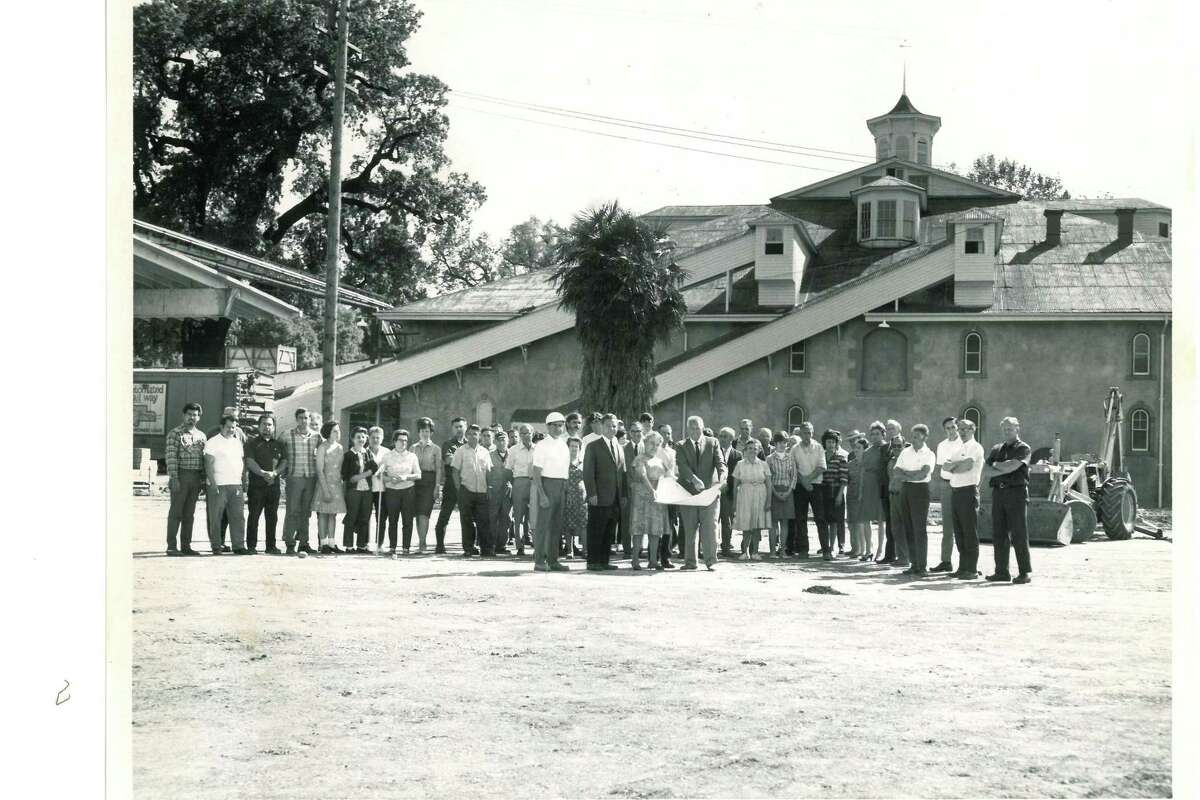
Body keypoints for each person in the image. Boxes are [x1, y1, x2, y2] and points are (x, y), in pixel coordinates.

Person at [982, 417, 1033, 584]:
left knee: (1019, 533)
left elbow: (1012, 466)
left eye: (1010, 429)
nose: (1007, 431)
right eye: (1004, 429)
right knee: (999, 534)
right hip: (998, 493)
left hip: (1016, 493)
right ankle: (1001, 571)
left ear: (1017, 429)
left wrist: (998, 465)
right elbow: (986, 471)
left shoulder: (1023, 448)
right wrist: (1002, 467)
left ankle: (1025, 572)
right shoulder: (997, 449)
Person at [675, 415, 727, 571]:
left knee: (710, 527)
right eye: (692, 428)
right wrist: (693, 479)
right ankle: (690, 562)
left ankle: (711, 561)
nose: (695, 431)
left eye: (698, 428)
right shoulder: (681, 445)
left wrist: (723, 475)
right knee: (690, 529)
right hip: (688, 494)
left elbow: (720, 462)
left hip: (709, 494)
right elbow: (682, 466)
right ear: (687, 429)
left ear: (703, 428)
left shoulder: (713, 442)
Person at [941, 418, 985, 579]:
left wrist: (954, 466)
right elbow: (945, 467)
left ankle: (972, 569)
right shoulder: (959, 449)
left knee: (969, 531)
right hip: (956, 491)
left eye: (966, 429)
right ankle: (962, 567)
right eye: (960, 429)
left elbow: (968, 466)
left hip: (968, 491)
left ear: (973, 430)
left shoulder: (976, 447)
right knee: (959, 532)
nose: (962, 432)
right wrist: (956, 466)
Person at [582, 413, 625, 571]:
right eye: (608, 426)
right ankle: (593, 562)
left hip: (614, 498)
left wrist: (623, 495)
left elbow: (621, 474)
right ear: (602, 426)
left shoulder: (619, 447)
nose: (612, 429)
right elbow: (588, 472)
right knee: (596, 529)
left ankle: (604, 560)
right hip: (598, 496)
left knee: (609, 531)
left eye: (614, 426)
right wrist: (592, 493)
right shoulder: (593, 446)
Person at [894, 423, 936, 576]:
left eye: (917, 437)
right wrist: (910, 475)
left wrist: (908, 474)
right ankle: (914, 564)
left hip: (920, 491)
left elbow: (923, 474)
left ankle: (922, 566)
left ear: (925, 437)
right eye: (912, 437)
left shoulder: (929, 454)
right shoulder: (905, 452)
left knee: (919, 529)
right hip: (906, 489)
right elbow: (896, 471)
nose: (914, 440)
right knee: (908, 527)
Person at [530, 412, 570, 572]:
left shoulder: (563, 444)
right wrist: (542, 494)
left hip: (561, 486)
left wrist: (565, 490)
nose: (558, 428)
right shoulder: (542, 445)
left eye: (561, 425)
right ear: (548, 427)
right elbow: (536, 472)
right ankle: (539, 560)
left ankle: (553, 560)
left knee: (556, 526)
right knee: (542, 526)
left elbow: (564, 470)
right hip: (546, 485)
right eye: (555, 425)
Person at [165, 401, 207, 556]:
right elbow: (171, 457)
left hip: (196, 477)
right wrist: (174, 478)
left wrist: (202, 480)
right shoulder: (175, 434)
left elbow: (204, 460)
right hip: (181, 475)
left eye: (195, 415)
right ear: (184, 415)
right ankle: (171, 546)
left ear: (199, 417)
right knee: (176, 512)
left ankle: (186, 546)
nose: (192, 417)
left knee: (189, 514)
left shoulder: (201, 436)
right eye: (189, 414)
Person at [204, 414, 249, 555]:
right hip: (219, 484)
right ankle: (216, 546)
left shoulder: (237, 442)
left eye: (234, 427)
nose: (231, 430)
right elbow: (208, 464)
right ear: (222, 427)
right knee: (216, 517)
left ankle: (238, 545)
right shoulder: (212, 442)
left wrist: (242, 483)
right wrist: (212, 483)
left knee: (238, 517)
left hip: (235, 485)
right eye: (229, 427)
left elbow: (241, 463)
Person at [244, 412, 287, 554]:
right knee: (254, 516)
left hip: (273, 487)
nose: (266, 427)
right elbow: (250, 461)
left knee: (272, 517)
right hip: (256, 486)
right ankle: (251, 546)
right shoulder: (251, 443)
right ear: (258, 426)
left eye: (269, 424)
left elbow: (284, 461)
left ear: (274, 427)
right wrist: (263, 473)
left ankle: (271, 546)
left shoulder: (279, 444)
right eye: (263, 424)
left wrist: (274, 473)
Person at [628, 430, 671, 570]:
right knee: (638, 529)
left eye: (657, 444)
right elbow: (642, 475)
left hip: (657, 499)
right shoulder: (639, 458)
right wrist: (651, 489)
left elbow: (668, 476)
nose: (654, 446)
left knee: (655, 530)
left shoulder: (660, 461)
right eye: (651, 443)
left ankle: (653, 560)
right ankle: (635, 560)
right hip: (642, 497)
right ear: (645, 443)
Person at [282, 407, 320, 556]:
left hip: (310, 478)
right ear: (296, 419)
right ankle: (290, 544)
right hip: (294, 477)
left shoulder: (316, 437)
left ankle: (304, 543)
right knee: (292, 511)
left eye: (306, 418)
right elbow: (278, 451)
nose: (304, 421)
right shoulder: (286, 435)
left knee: (306, 513)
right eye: (301, 418)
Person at [451, 423, 493, 556]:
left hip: (482, 491)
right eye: (469, 434)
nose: (472, 436)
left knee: (484, 521)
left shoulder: (485, 452)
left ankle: (486, 549)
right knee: (467, 521)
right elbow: (455, 471)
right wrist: (459, 490)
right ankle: (469, 548)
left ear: (479, 436)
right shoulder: (461, 451)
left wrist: (489, 488)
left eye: (475, 434)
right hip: (466, 490)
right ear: (466, 436)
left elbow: (488, 472)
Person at [379, 429, 422, 556]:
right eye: (400, 440)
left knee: (407, 520)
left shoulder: (412, 456)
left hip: (408, 490)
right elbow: (380, 475)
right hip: (392, 491)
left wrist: (405, 477)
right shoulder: (387, 456)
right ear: (394, 441)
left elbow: (418, 475)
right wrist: (390, 479)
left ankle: (406, 548)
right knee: (393, 520)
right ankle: (392, 547)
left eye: (405, 441)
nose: (403, 443)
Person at [790, 422, 828, 559]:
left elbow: (822, 467)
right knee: (801, 519)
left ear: (813, 433)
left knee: (820, 518)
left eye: (809, 432)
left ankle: (826, 550)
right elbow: (793, 469)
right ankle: (803, 550)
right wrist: (804, 481)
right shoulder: (794, 449)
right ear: (800, 433)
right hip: (800, 487)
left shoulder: (818, 447)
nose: (807, 435)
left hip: (815, 486)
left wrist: (809, 479)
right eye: (804, 432)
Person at [930, 417, 963, 573]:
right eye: (948, 428)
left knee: (964, 525)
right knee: (948, 526)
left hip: (962, 485)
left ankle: (967, 563)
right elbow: (941, 466)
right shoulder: (941, 446)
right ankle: (946, 561)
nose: (951, 430)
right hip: (946, 485)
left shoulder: (964, 443)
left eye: (953, 427)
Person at [433, 417, 468, 553]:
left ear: (466, 427)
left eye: (461, 426)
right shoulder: (448, 444)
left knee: (467, 516)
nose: (459, 429)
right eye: (456, 427)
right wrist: (466, 459)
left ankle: (468, 546)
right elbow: (448, 460)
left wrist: (459, 459)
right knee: (445, 515)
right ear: (452, 429)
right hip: (451, 485)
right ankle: (440, 545)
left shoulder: (469, 444)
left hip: (466, 484)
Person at [732, 439, 771, 559]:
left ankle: (755, 552)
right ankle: (744, 552)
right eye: (750, 448)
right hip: (745, 495)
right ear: (745, 450)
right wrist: (734, 501)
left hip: (760, 494)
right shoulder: (740, 464)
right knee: (746, 524)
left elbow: (769, 484)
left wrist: (768, 501)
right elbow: (735, 485)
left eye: (755, 449)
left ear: (759, 450)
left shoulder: (764, 464)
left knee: (757, 525)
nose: (752, 451)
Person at [312, 421, 346, 554]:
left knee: (333, 514)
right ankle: (323, 543)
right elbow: (319, 470)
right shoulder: (322, 447)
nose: (337, 433)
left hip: (336, 484)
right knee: (323, 514)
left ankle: (332, 543)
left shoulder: (340, 448)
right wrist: (325, 490)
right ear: (328, 432)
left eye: (338, 431)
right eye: (334, 431)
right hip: (324, 484)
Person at [341, 427, 377, 553]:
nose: (361, 439)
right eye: (358, 437)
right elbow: (348, 477)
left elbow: (375, 468)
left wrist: (361, 476)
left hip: (367, 490)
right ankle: (349, 546)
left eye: (363, 437)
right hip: (353, 491)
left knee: (365, 517)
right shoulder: (348, 455)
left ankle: (362, 545)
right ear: (352, 439)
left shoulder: (368, 453)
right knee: (351, 517)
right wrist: (365, 474)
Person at [411, 418, 443, 553]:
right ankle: (421, 540)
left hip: (429, 482)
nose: (425, 433)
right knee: (418, 514)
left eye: (427, 431)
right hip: (414, 482)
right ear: (418, 432)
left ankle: (422, 543)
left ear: (431, 432)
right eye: (423, 430)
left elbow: (438, 469)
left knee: (425, 513)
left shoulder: (436, 449)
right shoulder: (412, 447)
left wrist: (437, 487)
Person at [881, 419, 910, 567]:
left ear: (904, 446)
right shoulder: (891, 461)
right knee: (896, 528)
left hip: (903, 496)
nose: (897, 448)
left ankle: (906, 557)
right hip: (892, 496)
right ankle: (901, 557)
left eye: (899, 446)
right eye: (895, 446)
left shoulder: (907, 460)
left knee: (904, 528)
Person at [506, 424, 536, 556]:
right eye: (522, 433)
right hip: (519, 482)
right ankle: (519, 545)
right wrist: (513, 484)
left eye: (528, 433)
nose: (525, 435)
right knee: (518, 516)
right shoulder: (514, 450)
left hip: (535, 483)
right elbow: (508, 469)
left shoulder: (538, 449)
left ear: (532, 433)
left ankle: (537, 545)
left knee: (534, 515)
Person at [766, 432, 797, 557]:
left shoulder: (791, 458)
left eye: (784, 442)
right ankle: (772, 551)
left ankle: (783, 550)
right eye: (779, 442)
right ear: (775, 443)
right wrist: (775, 492)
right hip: (774, 491)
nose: (782, 445)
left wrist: (788, 491)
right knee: (773, 523)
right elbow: (768, 478)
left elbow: (794, 477)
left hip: (788, 491)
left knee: (785, 523)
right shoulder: (769, 459)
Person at [820, 429, 849, 558]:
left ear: (836, 444)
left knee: (835, 521)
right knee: (824, 519)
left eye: (833, 442)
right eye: (828, 442)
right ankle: (825, 546)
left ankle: (834, 547)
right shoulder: (821, 457)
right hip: (824, 491)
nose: (830, 444)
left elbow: (844, 479)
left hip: (836, 491)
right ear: (824, 443)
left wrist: (839, 495)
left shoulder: (841, 458)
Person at [861, 422, 888, 561]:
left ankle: (880, 550)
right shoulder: (867, 451)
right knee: (866, 519)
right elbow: (863, 470)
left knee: (881, 519)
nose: (875, 437)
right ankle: (868, 549)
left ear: (883, 434)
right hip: (868, 486)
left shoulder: (886, 449)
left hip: (880, 486)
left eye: (877, 434)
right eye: (872, 434)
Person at [656, 422, 681, 563]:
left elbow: (675, 472)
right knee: (658, 524)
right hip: (658, 489)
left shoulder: (673, 452)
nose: (666, 436)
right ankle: (654, 556)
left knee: (670, 524)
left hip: (670, 489)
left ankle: (666, 556)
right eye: (663, 433)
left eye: (669, 433)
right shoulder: (654, 450)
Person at [487, 429, 514, 555]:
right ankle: (491, 544)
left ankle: (501, 545)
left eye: (504, 439)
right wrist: (488, 487)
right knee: (492, 517)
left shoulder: (512, 454)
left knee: (506, 518)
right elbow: (487, 472)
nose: (502, 442)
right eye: (499, 440)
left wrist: (512, 485)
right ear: (495, 442)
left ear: (508, 441)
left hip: (508, 491)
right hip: (494, 490)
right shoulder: (490, 455)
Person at [717, 427, 743, 558]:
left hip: (729, 492)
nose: (721, 438)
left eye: (725, 436)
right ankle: (708, 547)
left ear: (731, 439)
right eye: (720, 436)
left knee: (727, 521)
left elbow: (738, 475)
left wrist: (730, 487)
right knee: (712, 520)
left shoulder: (738, 455)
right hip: (714, 491)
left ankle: (726, 547)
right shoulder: (713, 451)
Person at [845, 436, 872, 560]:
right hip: (851, 496)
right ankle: (855, 548)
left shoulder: (868, 464)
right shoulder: (850, 464)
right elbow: (847, 480)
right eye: (855, 448)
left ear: (865, 449)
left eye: (859, 448)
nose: (856, 450)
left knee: (862, 524)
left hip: (864, 496)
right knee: (852, 523)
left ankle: (865, 549)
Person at [620, 421, 644, 557]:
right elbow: (621, 473)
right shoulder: (623, 449)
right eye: (633, 431)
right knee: (626, 521)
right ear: (629, 433)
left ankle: (639, 549)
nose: (636, 434)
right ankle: (627, 550)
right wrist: (624, 492)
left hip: (643, 491)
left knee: (640, 521)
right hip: (627, 491)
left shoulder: (647, 448)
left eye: (639, 431)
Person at [366, 426, 391, 552]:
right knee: (365, 516)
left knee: (381, 518)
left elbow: (390, 469)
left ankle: (379, 543)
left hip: (382, 489)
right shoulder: (364, 451)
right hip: (367, 489)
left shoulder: (387, 452)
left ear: (382, 438)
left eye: (378, 437)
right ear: (368, 438)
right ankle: (365, 543)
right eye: (373, 437)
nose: (375, 440)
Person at [563, 437, 588, 561]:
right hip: (568, 496)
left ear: (579, 448)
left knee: (584, 524)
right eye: (572, 446)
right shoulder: (563, 463)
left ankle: (585, 550)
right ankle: (569, 550)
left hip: (582, 497)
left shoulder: (583, 463)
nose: (574, 448)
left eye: (576, 446)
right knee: (569, 525)